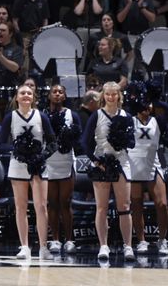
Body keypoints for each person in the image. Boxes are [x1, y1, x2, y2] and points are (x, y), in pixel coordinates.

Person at [81, 82, 137, 262]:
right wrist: (96, 161)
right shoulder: (96, 115)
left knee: (125, 207)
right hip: (102, 163)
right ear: (103, 96)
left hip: (121, 162)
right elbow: (85, 142)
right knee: (102, 207)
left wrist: (124, 140)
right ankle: (103, 245)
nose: (111, 97)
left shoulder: (127, 116)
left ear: (119, 96)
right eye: (108, 94)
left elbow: (132, 142)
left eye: (115, 94)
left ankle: (128, 246)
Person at [1, 84, 54, 259]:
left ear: (33, 97)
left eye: (29, 93)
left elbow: (53, 142)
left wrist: (41, 155)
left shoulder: (42, 116)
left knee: (41, 206)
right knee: (21, 206)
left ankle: (44, 247)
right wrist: (19, 149)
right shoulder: (10, 117)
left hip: (38, 164)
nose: (25, 95)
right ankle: (24, 246)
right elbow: (1, 143)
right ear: (16, 97)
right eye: (22, 93)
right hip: (18, 163)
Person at [44, 82, 81, 255]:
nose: (57, 94)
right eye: (54, 91)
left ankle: (70, 240)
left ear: (65, 96)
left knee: (65, 203)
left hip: (66, 160)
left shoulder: (72, 115)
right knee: (52, 204)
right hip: (49, 161)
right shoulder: (42, 114)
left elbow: (79, 138)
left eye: (60, 92)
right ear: (49, 95)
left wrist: (69, 140)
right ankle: (55, 240)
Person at [127, 99, 168, 255]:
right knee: (137, 205)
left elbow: (166, 109)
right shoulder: (129, 121)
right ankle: (141, 241)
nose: (148, 107)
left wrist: (153, 97)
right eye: (144, 104)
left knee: (162, 204)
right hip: (134, 165)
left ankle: (162, 240)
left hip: (153, 164)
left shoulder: (158, 121)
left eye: (150, 104)